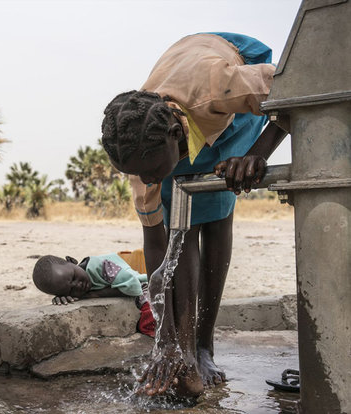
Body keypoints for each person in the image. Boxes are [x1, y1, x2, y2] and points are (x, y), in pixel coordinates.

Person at [101, 33, 288, 396]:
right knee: (179, 226)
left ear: (175, 135)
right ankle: (183, 351)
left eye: (151, 171)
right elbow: (159, 250)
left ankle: (203, 346)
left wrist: (258, 153)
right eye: (137, 174)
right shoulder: (142, 153)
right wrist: (165, 341)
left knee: (216, 208)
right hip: (180, 119)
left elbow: (292, 86)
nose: (146, 180)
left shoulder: (219, 86)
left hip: (229, 89)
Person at [32, 249, 155, 337]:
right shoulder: (65, 283)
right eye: (70, 290)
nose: (78, 285)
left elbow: (134, 287)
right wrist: (61, 298)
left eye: (74, 277)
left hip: (145, 286)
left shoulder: (100, 266)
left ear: (72, 261)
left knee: (148, 318)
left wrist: (94, 295)